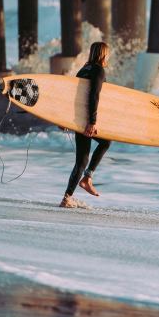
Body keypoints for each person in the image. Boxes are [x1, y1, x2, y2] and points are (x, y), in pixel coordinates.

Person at [61, 42, 112, 208]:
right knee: (105, 142)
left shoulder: (83, 70)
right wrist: (92, 121)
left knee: (81, 160)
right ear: (103, 54)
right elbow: (93, 96)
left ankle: (67, 197)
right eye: (108, 54)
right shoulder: (98, 70)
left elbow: (74, 98)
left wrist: (67, 119)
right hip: (86, 120)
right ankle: (87, 178)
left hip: (78, 118)